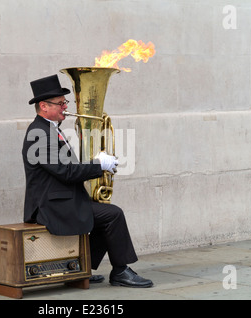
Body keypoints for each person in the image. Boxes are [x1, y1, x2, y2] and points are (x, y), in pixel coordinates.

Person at [21, 74, 153, 288]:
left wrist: (94, 163)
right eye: (60, 103)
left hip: (61, 201)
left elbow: (65, 170)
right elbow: (66, 172)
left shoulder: (49, 130)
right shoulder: (39, 133)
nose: (65, 106)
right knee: (113, 215)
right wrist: (98, 164)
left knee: (104, 215)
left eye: (66, 102)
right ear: (44, 106)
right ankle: (120, 271)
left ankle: (81, 268)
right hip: (49, 206)